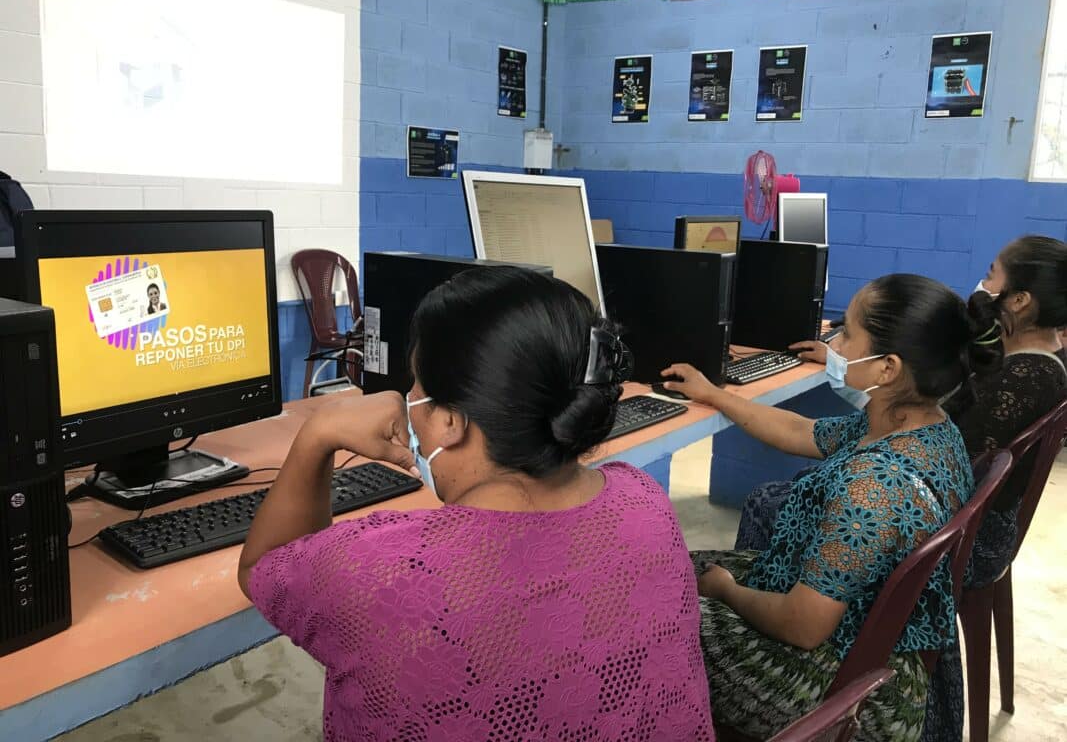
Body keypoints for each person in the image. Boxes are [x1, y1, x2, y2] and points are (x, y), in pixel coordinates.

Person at [237, 267, 713, 742]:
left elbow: (265, 567)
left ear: (450, 421)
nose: (408, 404)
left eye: (415, 389)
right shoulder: (644, 499)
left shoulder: (379, 573)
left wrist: (320, 432)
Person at [662, 273, 982, 741]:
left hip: (846, 683)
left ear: (887, 369)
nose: (833, 343)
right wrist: (715, 395)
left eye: (847, 332)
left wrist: (727, 591)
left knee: (650, 619)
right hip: (862, 633)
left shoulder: (874, 486)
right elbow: (799, 431)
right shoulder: (923, 426)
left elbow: (803, 626)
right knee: (665, 572)